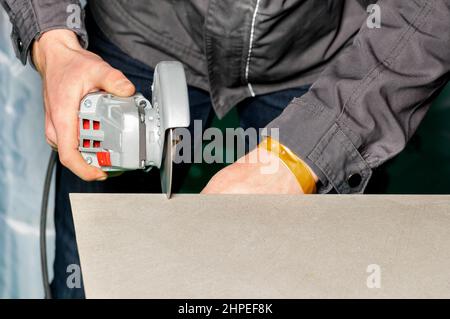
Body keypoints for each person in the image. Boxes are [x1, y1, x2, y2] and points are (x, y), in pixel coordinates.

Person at [1, 0, 449, 298]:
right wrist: (53, 40)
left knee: (307, 278)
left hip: (317, 50)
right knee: (90, 274)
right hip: (135, 40)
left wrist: (311, 150)